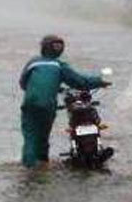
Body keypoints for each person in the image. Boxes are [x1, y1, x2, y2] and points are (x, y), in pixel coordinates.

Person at [18, 34, 111, 169]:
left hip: (30, 103)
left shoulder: (33, 63)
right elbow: (79, 81)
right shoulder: (59, 65)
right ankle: (42, 163)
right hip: (48, 105)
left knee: (30, 136)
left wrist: (47, 88)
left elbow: (23, 83)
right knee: (43, 136)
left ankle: (28, 167)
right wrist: (99, 82)